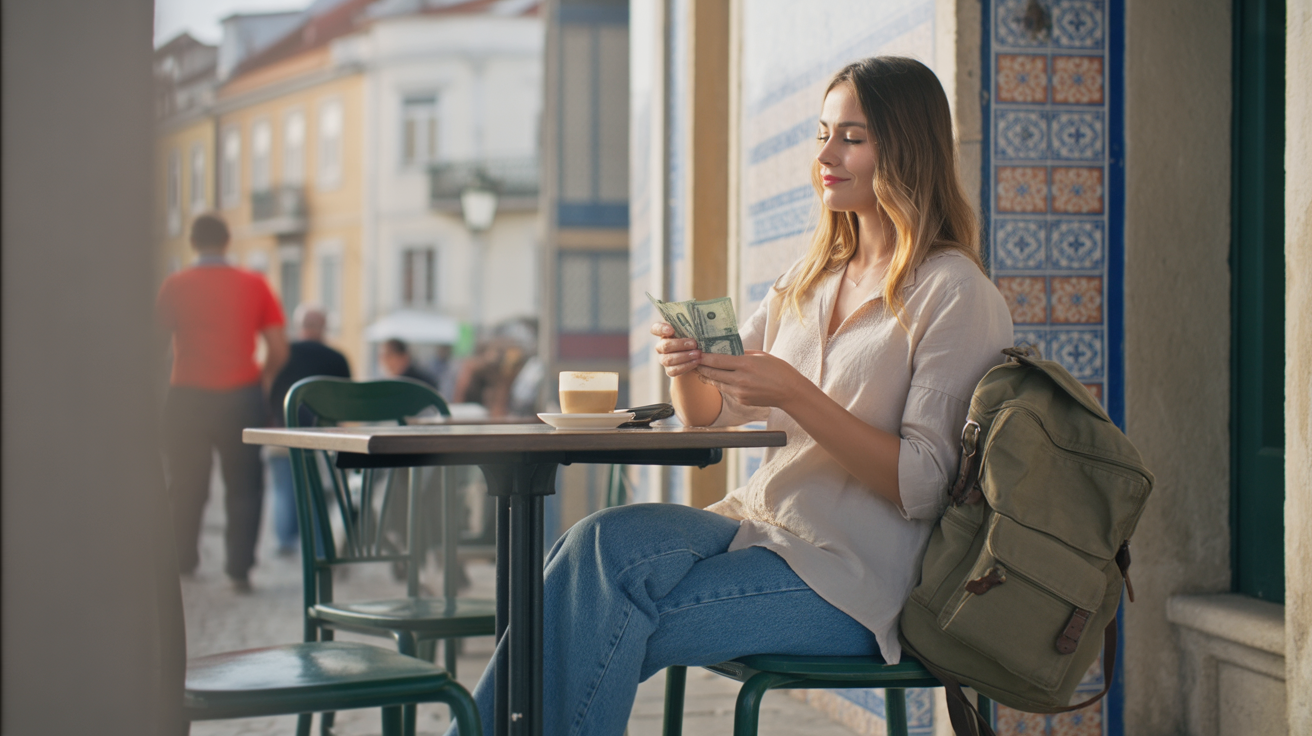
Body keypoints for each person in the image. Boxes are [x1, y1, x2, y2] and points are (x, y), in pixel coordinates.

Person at [449, 56, 1015, 736]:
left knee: (596, 616)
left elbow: (924, 485)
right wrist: (688, 365)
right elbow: (711, 419)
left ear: (905, 147)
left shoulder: (955, 292)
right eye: (822, 134)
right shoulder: (808, 280)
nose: (826, 156)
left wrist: (798, 395)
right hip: (760, 529)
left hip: (860, 582)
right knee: (600, 545)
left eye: (852, 138)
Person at [156, 213, 289, 592]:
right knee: (245, 484)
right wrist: (261, 377)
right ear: (227, 242)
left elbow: (155, 345)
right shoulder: (254, 284)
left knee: (185, 484)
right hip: (240, 395)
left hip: (187, 396)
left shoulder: (175, 285)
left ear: (193, 243)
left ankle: (183, 559)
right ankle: (239, 567)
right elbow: (278, 348)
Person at [266, 304, 352, 556]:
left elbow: (269, 389)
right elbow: (347, 403)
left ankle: (285, 541)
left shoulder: (283, 353)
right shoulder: (337, 358)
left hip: (285, 429)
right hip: (323, 435)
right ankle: (319, 544)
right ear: (324, 327)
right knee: (317, 490)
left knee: (284, 488)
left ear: (298, 326)